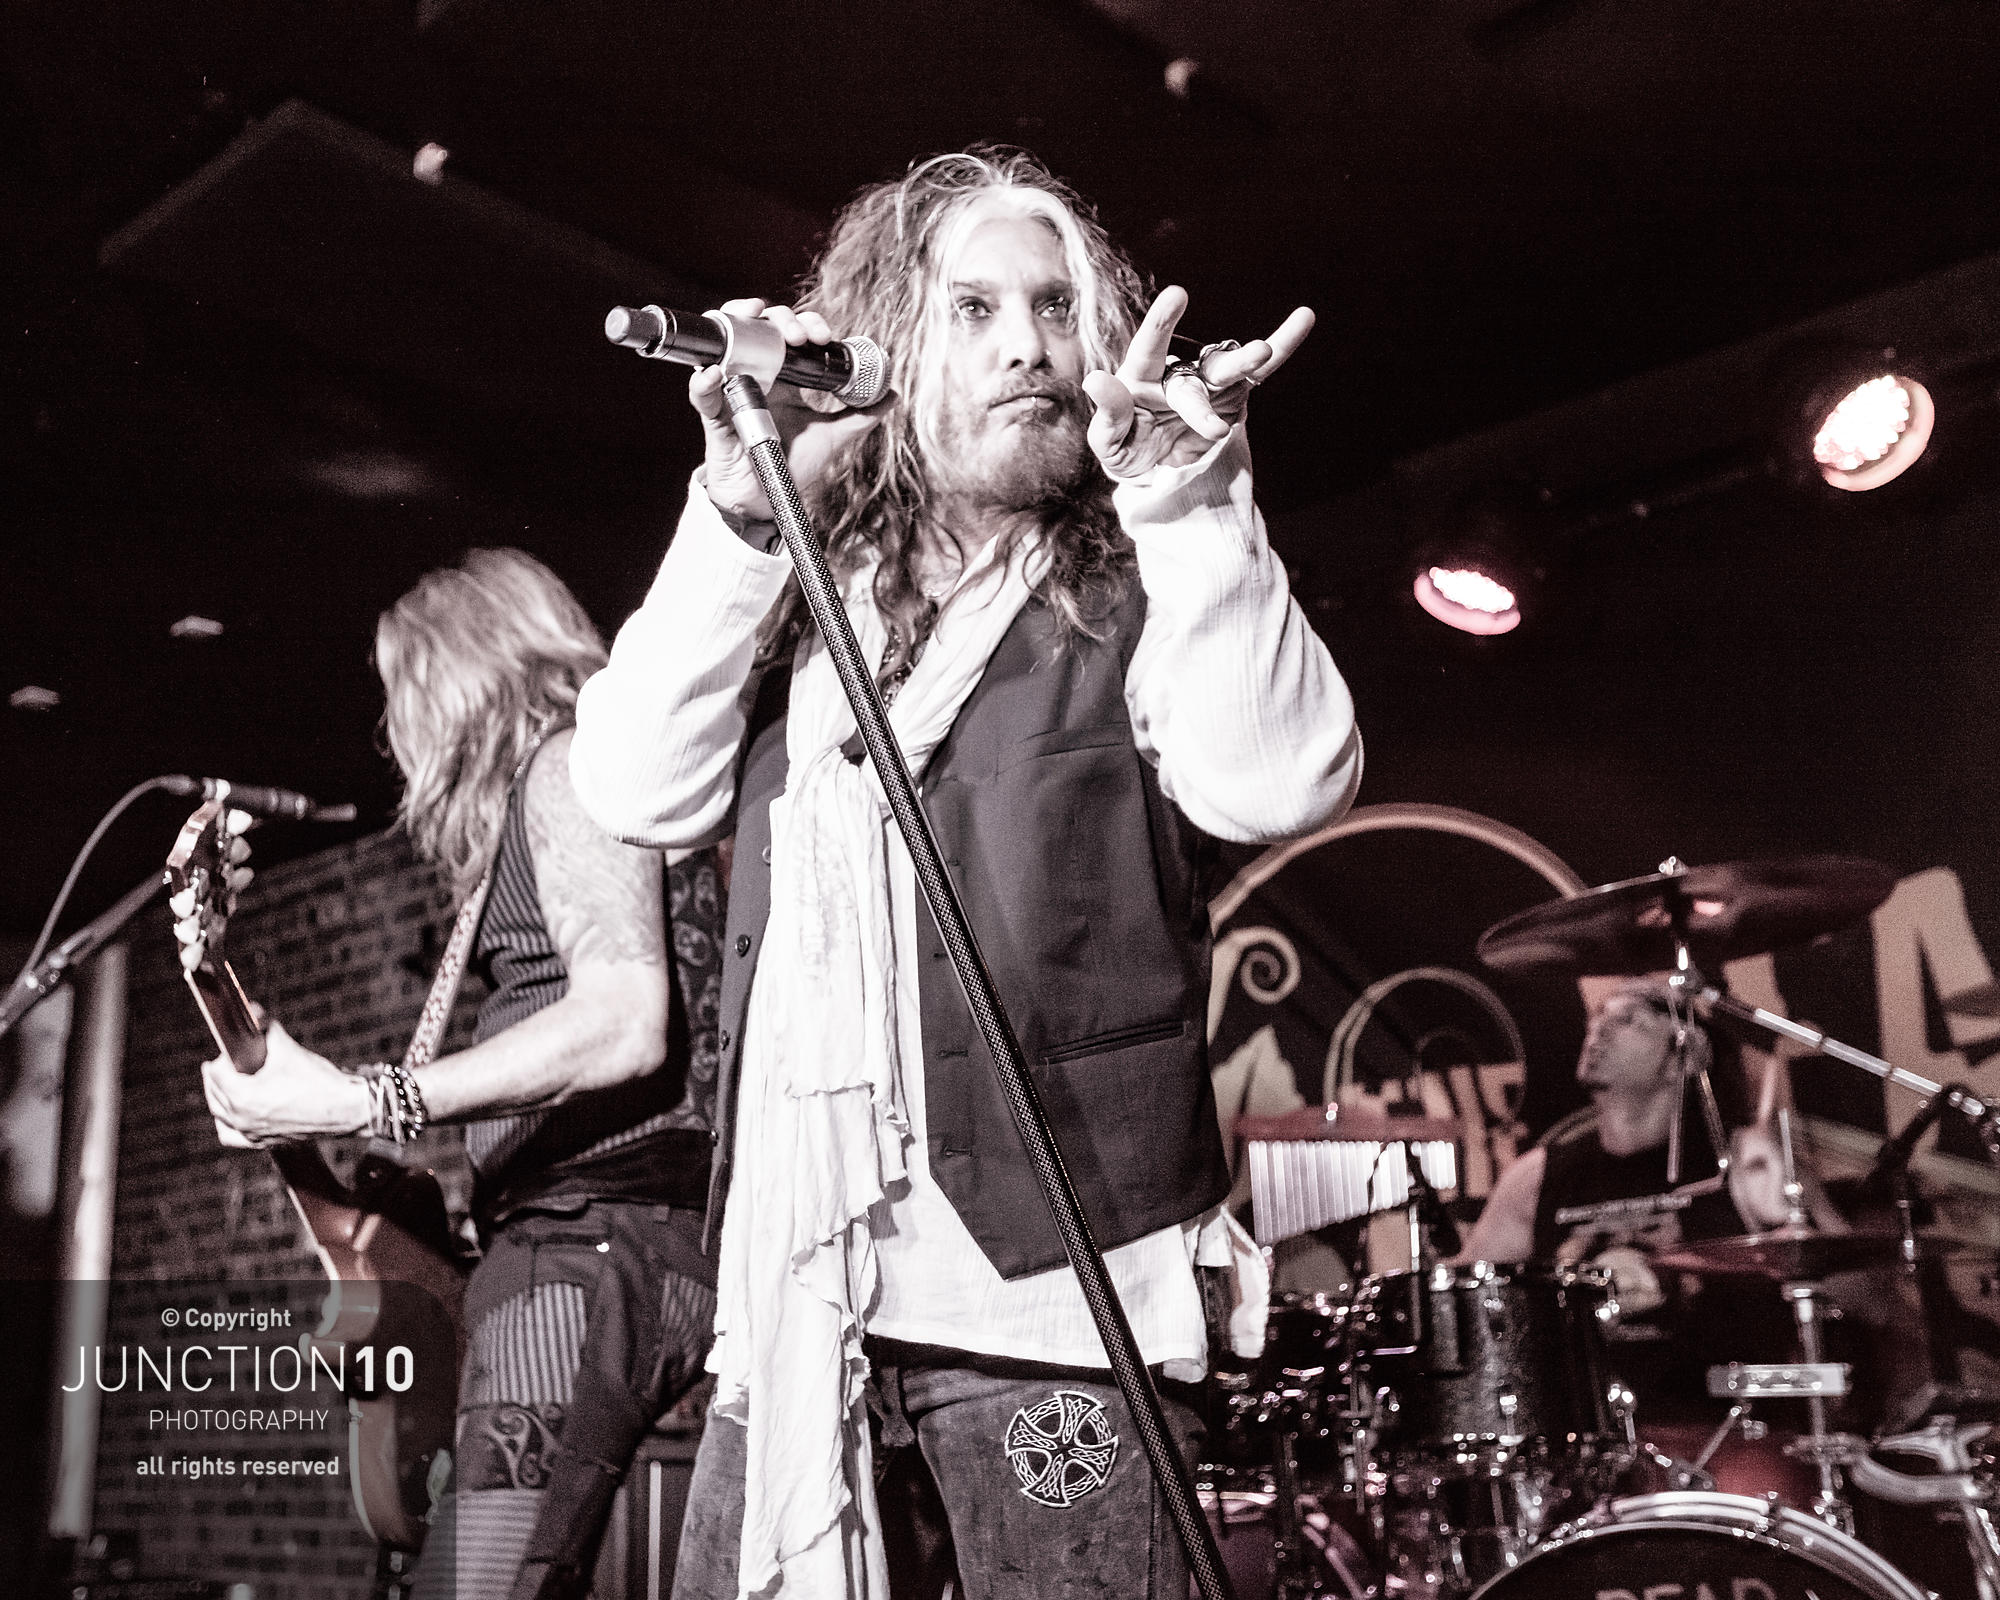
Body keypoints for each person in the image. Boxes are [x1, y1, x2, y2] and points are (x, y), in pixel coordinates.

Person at [568, 148, 1363, 1598]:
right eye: (976, 308)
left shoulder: (1140, 579)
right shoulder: (802, 593)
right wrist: (738, 511)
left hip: (1057, 1310)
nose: (1028, 346)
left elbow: (1280, 783)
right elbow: (630, 788)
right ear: (889, 344)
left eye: (1056, 308)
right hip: (802, 1303)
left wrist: (1197, 504)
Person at [199, 549, 726, 1600]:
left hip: (589, 1244)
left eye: (402, 694)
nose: (396, 734)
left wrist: (369, 1096)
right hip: (596, 1241)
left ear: (452, 682)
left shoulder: (567, 766)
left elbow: (624, 1022)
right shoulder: (574, 794)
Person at [1455, 978, 1838, 1434]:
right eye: (1596, 1018)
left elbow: (1860, 1289)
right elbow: (1463, 1302)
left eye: (1627, 1021)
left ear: (1685, 1057)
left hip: (1728, 1433)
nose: (1598, 1032)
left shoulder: (1743, 1160)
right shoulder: (1536, 1175)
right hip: (1584, 1437)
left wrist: (1803, 1202)